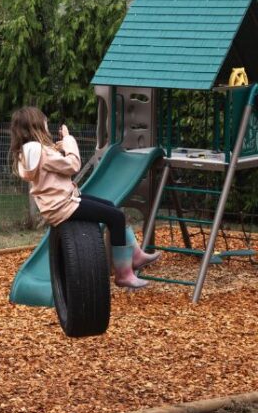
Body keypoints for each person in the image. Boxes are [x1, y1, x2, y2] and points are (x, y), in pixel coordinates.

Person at [9, 106, 159, 289]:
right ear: (37, 126)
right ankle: (123, 274)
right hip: (64, 207)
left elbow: (50, 162)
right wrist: (69, 140)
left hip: (60, 204)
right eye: (45, 123)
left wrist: (59, 146)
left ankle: (134, 254)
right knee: (116, 217)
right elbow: (73, 165)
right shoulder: (42, 152)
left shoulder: (27, 153)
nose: (47, 126)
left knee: (111, 205)